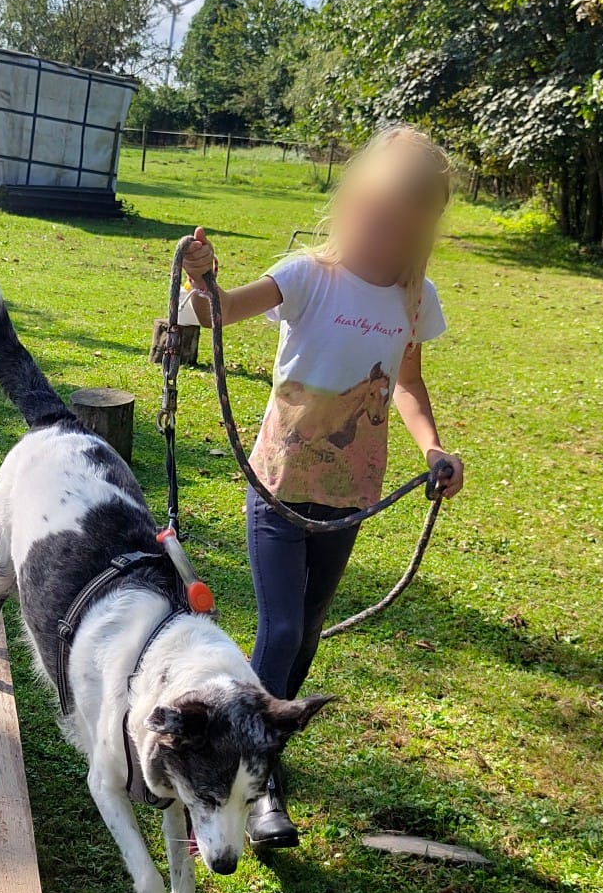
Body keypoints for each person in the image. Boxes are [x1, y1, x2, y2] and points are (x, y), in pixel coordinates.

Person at [178, 123, 466, 849]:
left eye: (399, 229)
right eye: (374, 219)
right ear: (352, 205)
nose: (382, 237)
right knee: (277, 627)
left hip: (348, 499)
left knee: (304, 631)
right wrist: (201, 279)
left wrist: (433, 448)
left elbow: (408, 383)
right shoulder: (309, 275)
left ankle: (260, 750)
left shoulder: (412, 298)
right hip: (278, 486)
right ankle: (259, 783)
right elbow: (218, 314)